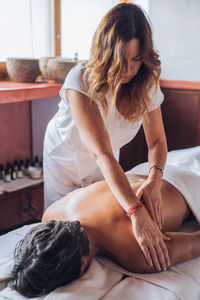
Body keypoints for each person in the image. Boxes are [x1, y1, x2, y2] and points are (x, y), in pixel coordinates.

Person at [43, 3, 168, 271]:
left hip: (106, 164)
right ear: (106, 51)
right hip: (65, 160)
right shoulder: (81, 80)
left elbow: (157, 142)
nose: (129, 69)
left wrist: (155, 178)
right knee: (60, 240)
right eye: (122, 59)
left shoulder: (145, 82)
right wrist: (136, 211)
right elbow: (102, 154)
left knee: (97, 237)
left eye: (136, 59)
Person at [10, 162, 200, 298]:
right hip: (146, 168)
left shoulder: (139, 250)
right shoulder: (51, 214)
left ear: (83, 264)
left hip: (185, 185)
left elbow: (196, 243)